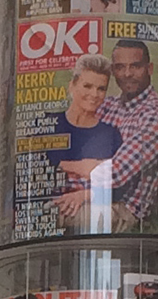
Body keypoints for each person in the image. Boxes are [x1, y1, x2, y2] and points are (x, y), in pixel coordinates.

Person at [91, 39, 158, 229]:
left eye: (135, 66)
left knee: (56, 214)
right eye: (120, 67)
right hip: (92, 196)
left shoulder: (155, 113)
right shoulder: (107, 105)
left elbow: (116, 174)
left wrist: (73, 172)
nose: (127, 74)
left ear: (149, 68)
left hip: (125, 210)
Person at [50, 55, 121, 232]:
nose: (94, 95)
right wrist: (81, 167)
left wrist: (85, 194)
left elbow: (119, 185)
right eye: (87, 86)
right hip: (51, 206)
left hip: (90, 208)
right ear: (72, 86)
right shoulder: (48, 124)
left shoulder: (110, 135)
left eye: (101, 89)